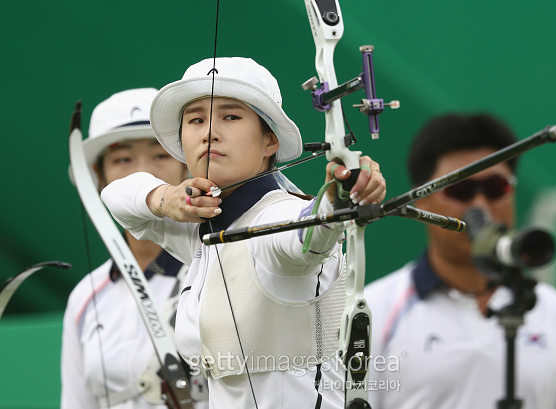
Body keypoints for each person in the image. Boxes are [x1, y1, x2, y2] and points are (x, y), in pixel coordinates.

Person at [100, 57, 386, 409]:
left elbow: (305, 234)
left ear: (270, 142)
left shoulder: (277, 215)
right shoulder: (199, 224)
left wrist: (338, 195)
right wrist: (165, 198)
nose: (209, 132)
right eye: (195, 120)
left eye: (231, 116)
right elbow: (115, 195)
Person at [365, 113, 556, 409]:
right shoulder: (373, 313)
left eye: (496, 188)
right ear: (421, 200)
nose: (480, 206)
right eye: (460, 189)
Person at [61, 88, 207, 409]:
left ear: (185, 167)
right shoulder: (85, 296)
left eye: (160, 155)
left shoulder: (217, 267)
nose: (143, 173)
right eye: (123, 159)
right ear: (98, 177)